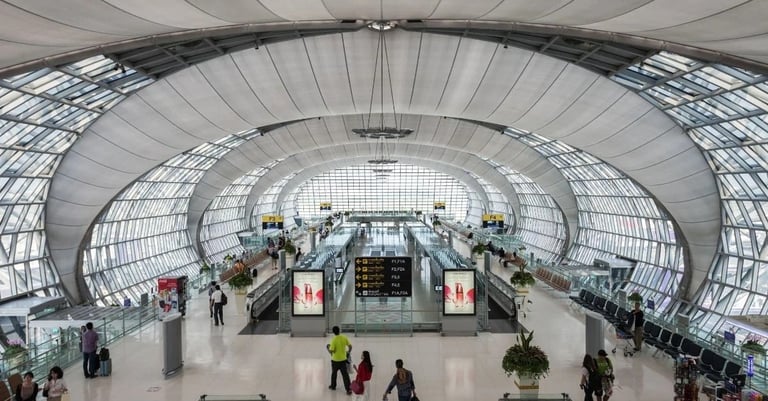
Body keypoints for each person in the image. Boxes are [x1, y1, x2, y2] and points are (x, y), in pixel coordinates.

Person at [327, 325, 353, 395]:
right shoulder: (344, 337)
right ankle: (348, 389)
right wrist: (348, 352)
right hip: (343, 360)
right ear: (339, 330)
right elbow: (350, 346)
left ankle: (333, 386)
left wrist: (328, 348)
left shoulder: (334, 340)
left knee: (334, 374)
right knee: (345, 375)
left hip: (335, 361)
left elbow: (332, 351)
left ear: (333, 332)